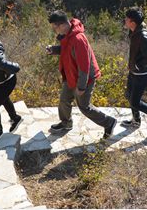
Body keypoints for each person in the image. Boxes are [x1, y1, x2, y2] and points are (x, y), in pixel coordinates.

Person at [46, 11, 117, 139]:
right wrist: (54, 50)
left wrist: (82, 87)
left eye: (54, 27)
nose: (54, 31)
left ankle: (109, 122)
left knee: (84, 107)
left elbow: (84, 66)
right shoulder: (68, 34)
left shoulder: (78, 39)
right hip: (71, 74)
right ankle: (66, 123)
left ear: (61, 25)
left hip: (84, 78)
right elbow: (67, 50)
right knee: (64, 100)